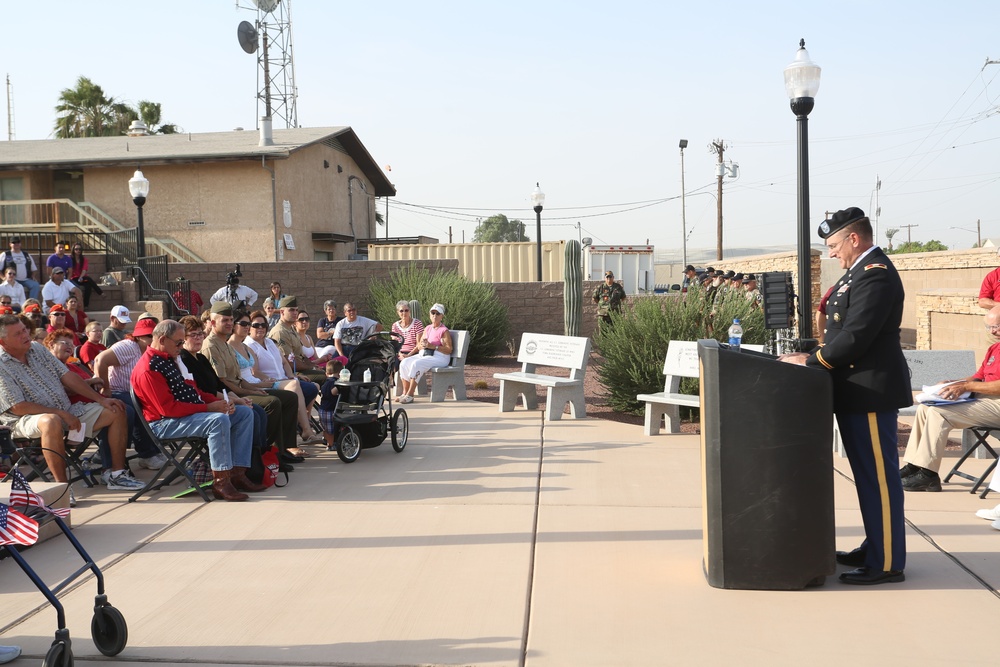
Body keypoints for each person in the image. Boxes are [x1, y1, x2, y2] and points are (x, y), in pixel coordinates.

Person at [779, 207, 911, 586]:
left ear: (855, 238)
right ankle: (875, 547)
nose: (832, 253)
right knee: (867, 478)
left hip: (868, 391)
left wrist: (811, 361)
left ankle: (887, 563)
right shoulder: (858, 273)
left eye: (835, 245)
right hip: (854, 390)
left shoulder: (876, 275)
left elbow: (856, 336)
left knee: (878, 480)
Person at [0, 313, 143, 491]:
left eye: (24, 330)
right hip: (23, 420)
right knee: (50, 421)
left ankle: (116, 474)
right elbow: (18, 406)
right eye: (18, 334)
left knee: (115, 409)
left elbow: (67, 376)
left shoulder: (37, 349)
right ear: (3, 342)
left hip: (66, 410)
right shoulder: (1, 364)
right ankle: (62, 489)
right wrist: (61, 414)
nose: (25, 335)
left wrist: (101, 399)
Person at [131, 320, 264, 501]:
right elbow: (168, 409)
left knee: (244, 413)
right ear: (162, 339)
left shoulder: (169, 359)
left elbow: (195, 392)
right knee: (218, 420)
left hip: (183, 415)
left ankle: (238, 474)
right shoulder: (148, 368)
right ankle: (221, 482)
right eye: (178, 342)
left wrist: (225, 401)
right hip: (163, 423)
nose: (181, 345)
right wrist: (209, 408)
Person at [899, 305, 1000, 492]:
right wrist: (955, 382)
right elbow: (979, 376)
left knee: (940, 413)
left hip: (997, 403)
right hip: (984, 400)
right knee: (925, 409)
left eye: (997, 326)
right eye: (990, 327)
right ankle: (915, 465)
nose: (993, 331)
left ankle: (928, 475)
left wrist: (967, 387)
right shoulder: (995, 348)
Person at [200, 301, 302, 465]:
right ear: (212, 323)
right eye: (224, 320)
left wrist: (254, 388)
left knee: (290, 397)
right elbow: (222, 382)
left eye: (230, 320)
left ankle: (282, 449)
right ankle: (264, 455)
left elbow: (239, 379)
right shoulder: (211, 346)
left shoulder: (224, 344)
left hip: (241, 389)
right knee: (271, 403)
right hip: (229, 395)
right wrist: (248, 393)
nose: (229, 324)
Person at [92, 314, 167, 471]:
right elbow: (100, 360)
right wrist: (105, 387)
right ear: (138, 336)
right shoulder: (128, 346)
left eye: (153, 335)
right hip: (116, 391)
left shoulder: (150, 351)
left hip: (132, 392)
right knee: (134, 408)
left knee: (151, 403)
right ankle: (146, 454)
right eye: (147, 335)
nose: (150, 338)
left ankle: (152, 450)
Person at [233, 311, 321, 445]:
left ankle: (303, 424)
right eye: (256, 325)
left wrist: (292, 375)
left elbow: (285, 362)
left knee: (313, 387)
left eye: (263, 325)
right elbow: (254, 372)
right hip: (269, 382)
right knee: (293, 389)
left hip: (283, 378)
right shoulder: (249, 345)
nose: (261, 328)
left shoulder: (269, 342)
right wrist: (273, 381)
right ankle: (304, 430)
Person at [397, 303, 452, 404]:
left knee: (417, 364)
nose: (435, 315)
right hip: (425, 354)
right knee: (404, 363)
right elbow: (419, 345)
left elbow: (449, 349)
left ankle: (410, 394)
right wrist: (410, 354)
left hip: (440, 357)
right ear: (430, 315)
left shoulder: (444, 330)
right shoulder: (428, 328)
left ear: (441, 316)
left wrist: (433, 346)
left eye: (437, 313)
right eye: (433, 313)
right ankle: (405, 393)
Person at [268, 296, 326, 383]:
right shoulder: (280, 332)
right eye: (291, 310)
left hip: (299, 368)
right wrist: (310, 367)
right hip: (289, 372)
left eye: (296, 310)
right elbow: (289, 362)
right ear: (282, 312)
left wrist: (313, 365)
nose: (295, 313)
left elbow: (301, 355)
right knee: (322, 377)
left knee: (327, 373)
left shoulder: (291, 329)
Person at [317, 359, 344, 450]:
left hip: (322, 409)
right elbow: (333, 392)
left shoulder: (326, 381)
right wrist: (341, 386)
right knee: (331, 431)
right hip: (330, 410)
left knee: (326, 428)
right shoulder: (334, 382)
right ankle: (331, 445)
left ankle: (326, 440)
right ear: (340, 373)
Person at [68, 243, 104, 308]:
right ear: (73, 250)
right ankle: (100, 292)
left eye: (80, 249)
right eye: (76, 249)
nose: (78, 250)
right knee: (88, 279)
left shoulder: (84, 259)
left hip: (81, 277)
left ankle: (85, 305)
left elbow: (84, 270)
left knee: (88, 286)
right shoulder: (69, 258)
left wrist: (81, 277)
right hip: (73, 278)